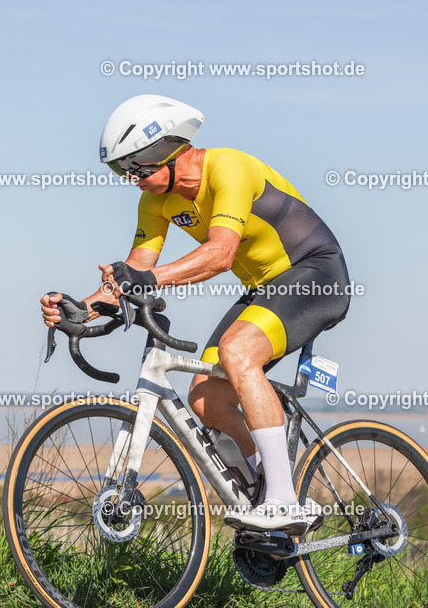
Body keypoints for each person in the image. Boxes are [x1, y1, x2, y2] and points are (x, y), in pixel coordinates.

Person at [40, 94, 351, 532]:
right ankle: (266, 484)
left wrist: (148, 280)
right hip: (264, 287)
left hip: (316, 273)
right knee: (205, 398)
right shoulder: (156, 201)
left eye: (135, 168)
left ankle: (284, 502)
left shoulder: (230, 168)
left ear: (165, 153)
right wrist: (83, 308)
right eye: (122, 171)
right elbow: (136, 273)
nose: (131, 180)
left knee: (237, 351)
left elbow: (220, 254)